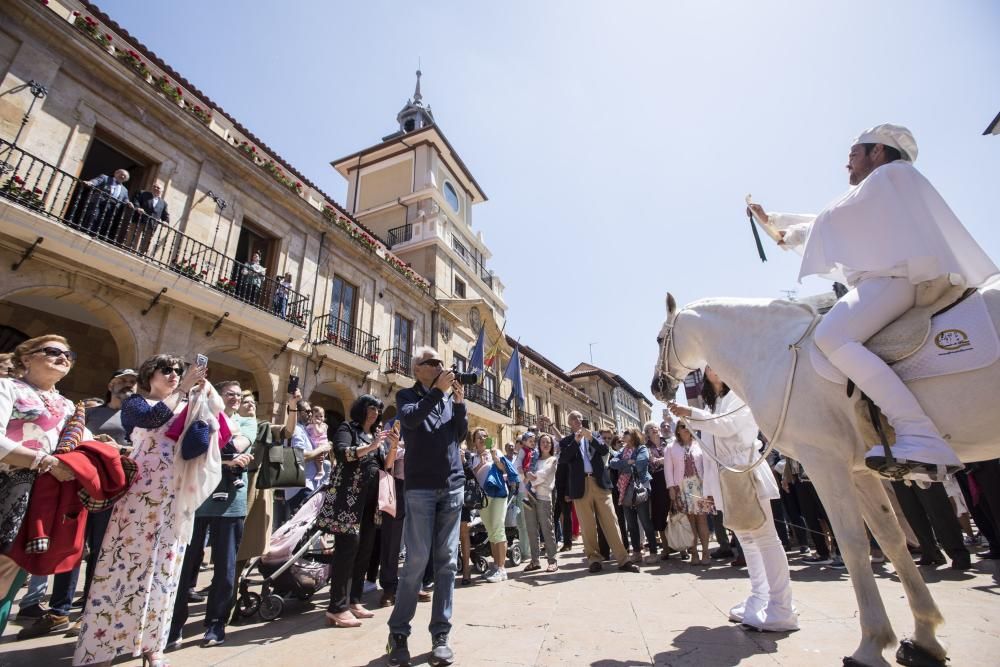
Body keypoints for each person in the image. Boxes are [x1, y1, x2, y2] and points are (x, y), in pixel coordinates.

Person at [754, 123, 998, 480]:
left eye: (853, 154)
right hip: (892, 281)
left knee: (831, 337)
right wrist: (775, 225)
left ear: (878, 151)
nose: (847, 164)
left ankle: (917, 430)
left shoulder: (890, 177)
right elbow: (833, 222)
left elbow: (833, 220)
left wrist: (781, 226)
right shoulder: (885, 188)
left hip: (892, 281)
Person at [74, 353, 213, 667]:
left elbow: (195, 447)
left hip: (173, 494)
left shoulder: (184, 405)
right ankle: (101, 647)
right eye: (167, 369)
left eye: (179, 370)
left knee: (164, 568)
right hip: (140, 491)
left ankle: (153, 644)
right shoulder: (136, 403)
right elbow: (150, 421)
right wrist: (181, 395)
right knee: (124, 564)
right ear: (150, 374)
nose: (175, 374)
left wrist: (200, 410)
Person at [669, 367, 798, 632]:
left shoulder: (740, 395)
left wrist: (690, 413)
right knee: (747, 540)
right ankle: (760, 597)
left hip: (745, 471)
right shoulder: (713, 404)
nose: (712, 366)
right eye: (708, 364)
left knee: (764, 536)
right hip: (727, 476)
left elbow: (728, 427)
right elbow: (710, 446)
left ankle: (782, 607)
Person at [17, 368, 139, 640]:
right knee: (70, 547)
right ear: (111, 383)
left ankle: (89, 610)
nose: (128, 386)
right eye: (123, 381)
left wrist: (119, 449)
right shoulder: (89, 413)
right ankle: (59, 610)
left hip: (111, 490)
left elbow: (144, 452)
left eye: (133, 382)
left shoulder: (137, 419)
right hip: (77, 486)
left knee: (100, 551)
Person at [386, 346, 467, 667]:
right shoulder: (406, 397)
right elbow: (411, 420)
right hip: (419, 488)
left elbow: (458, 435)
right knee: (416, 562)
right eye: (431, 362)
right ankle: (398, 634)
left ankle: (441, 634)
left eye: (440, 363)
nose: (438, 366)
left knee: (447, 562)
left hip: (452, 486)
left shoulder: (447, 399)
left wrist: (458, 404)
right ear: (417, 369)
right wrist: (437, 392)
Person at [0, 336, 83, 638]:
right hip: (5, 484)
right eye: (52, 352)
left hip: (38, 497)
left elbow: (78, 444)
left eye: (68, 354)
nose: (63, 358)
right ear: (26, 359)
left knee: (10, 571)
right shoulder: (8, 388)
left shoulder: (67, 405)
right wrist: (45, 462)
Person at [168, 380, 254, 649]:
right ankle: (173, 624)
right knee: (185, 567)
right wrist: (223, 458)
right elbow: (190, 448)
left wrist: (213, 452)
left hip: (230, 504)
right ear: (218, 397)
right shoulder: (201, 417)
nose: (235, 399)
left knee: (226, 569)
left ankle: (216, 623)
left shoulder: (248, 422)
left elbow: (236, 445)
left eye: (239, 395)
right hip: (197, 500)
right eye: (229, 394)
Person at [317, 394, 390, 627]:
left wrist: (392, 445)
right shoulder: (348, 428)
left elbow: (385, 465)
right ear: (360, 408)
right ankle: (336, 607)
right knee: (347, 548)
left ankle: (354, 600)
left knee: (365, 550)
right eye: (371, 408)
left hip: (371, 500)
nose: (374, 413)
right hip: (348, 498)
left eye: (378, 409)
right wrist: (371, 446)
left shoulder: (375, 435)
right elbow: (341, 453)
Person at [559, 410, 639, 574]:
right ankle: (594, 559)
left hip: (600, 483)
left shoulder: (595, 436)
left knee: (611, 521)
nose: (578, 420)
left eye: (580, 417)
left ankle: (623, 560)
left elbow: (604, 450)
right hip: (580, 485)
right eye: (574, 418)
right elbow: (564, 458)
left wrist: (590, 438)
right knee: (587, 526)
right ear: (569, 423)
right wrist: (576, 441)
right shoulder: (566, 441)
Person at [467, 428, 516, 583]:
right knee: (491, 531)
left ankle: (501, 569)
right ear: (474, 441)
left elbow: (504, 470)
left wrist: (495, 458)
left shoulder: (496, 452)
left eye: (485, 436)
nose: (482, 438)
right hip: (483, 499)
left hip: (499, 494)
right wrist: (480, 463)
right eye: (479, 437)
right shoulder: (473, 457)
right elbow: (471, 477)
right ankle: (495, 566)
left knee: (498, 528)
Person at [666, 422, 714, 565]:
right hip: (682, 487)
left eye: (688, 425)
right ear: (678, 431)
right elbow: (668, 470)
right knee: (690, 521)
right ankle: (694, 553)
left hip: (701, 486)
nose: (686, 428)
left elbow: (707, 466)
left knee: (702, 520)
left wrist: (710, 486)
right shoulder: (670, 447)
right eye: (682, 426)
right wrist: (671, 488)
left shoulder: (700, 444)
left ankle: (706, 552)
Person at [277, 392, 329, 523]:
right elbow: (299, 455)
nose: (310, 414)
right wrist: (322, 449)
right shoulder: (296, 430)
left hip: (307, 485)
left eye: (311, 411)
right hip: (300, 487)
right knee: (300, 529)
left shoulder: (305, 430)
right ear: (297, 413)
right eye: (307, 411)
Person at [609, 428, 658, 564]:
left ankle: (653, 552)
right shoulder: (622, 451)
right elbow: (612, 463)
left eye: (626, 433)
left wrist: (625, 464)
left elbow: (641, 464)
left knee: (645, 521)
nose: (623, 435)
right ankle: (636, 552)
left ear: (633, 435)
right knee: (631, 524)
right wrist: (628, 462)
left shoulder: (641, 448)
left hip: (640, 487)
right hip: (624, 489)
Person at [522, 433, 559, 573]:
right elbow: (524, 474)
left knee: (547, 530)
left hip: (543, 498)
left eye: (548, 442)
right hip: (529, 497)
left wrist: (530, 478)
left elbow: (545, 475)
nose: (545, 444)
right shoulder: (534, 460)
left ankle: (552, 560)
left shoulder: (553, 460)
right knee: (531, 530)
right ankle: (535, 561)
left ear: (551, 446)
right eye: (543, 442)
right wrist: (527, 476)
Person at [379, 421, 407, 604]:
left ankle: (415, 584)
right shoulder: (393, 431)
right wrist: (396, 445)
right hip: (396, 489)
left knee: (418, 540)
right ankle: (389, 587)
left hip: (420, 489)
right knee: (391, 540)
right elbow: (387, 466)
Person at [80, 168, 133, 238]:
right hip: (99, 202)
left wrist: (129, 203)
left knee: (103, 223)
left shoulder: (125, 190)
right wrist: (90, 183)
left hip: (111, 208)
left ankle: (95, 236)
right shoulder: (105, 178)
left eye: (125, 177)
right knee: (93, 217)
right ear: (116, 173)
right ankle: (86, 234)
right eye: (122, 174)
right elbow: (96, 181)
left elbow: (125, 199)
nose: (123, 177)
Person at [643, 421, 669, 558]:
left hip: (672, 478)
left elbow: (674, 459)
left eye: (655, 427)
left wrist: (663, 460)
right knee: (660, 514)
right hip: (657, 481)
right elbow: (652, 463)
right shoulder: (646, 447)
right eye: (650, 428)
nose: (654, 429)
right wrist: (666, 459)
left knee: (676, 511)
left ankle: (682, 546)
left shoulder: (668, 442)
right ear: (647, 433)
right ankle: (665, 547)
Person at [127, 182, 169, 254]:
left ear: (162, 191)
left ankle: (141, 255)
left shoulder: (163, 203)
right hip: (139, 220)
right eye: (154, 187)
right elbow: (136, 202)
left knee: (146, 242)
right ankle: (128, 251)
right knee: (133, 238)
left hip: (151, 225)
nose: (155, 188)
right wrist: (138, 208)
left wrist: (166, 221)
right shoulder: (143, 194)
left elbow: (165, 214)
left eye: (158, 188)